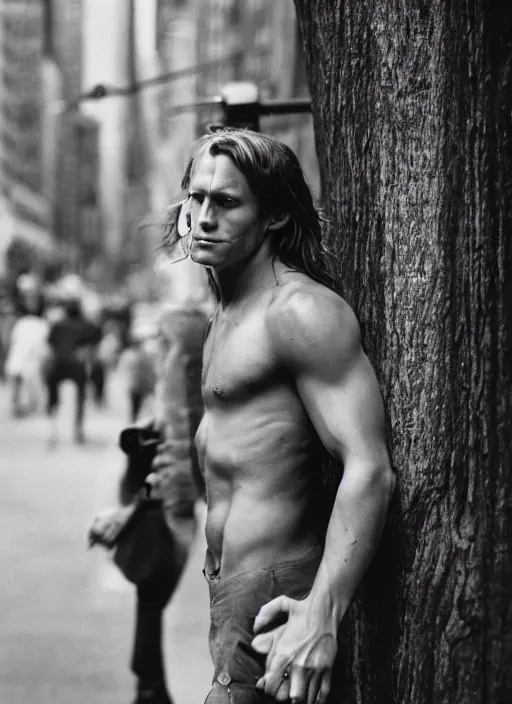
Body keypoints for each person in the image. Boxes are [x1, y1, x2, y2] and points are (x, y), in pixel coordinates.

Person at [159, 128, 396, 704]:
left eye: (227, 202)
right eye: (197, 198)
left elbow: (370, 468)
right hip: (231, 585)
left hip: (276, 591)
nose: (204, 217)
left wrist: (321, 612)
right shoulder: (231, 307)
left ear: (272, 216)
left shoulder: (300, 312)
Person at [89, 257, 212, 704]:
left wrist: (153, 498)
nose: (155, 343)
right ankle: (149, 682)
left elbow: (177, 426)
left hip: (176, 492)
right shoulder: (196, 335)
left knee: (153, 586)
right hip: (174, 487)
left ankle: (150, 684)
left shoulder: (184, 342)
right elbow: (173, 423)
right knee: (152, 588)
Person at [45, 297, 101, 444]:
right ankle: (78, 430)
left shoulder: (57, 325)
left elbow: (50, 346)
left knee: (53, 397)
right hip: (77, 364)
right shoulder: (87, 325)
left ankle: (52, 427)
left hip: (58, 363)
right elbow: (94, 343)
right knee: (80, 398)